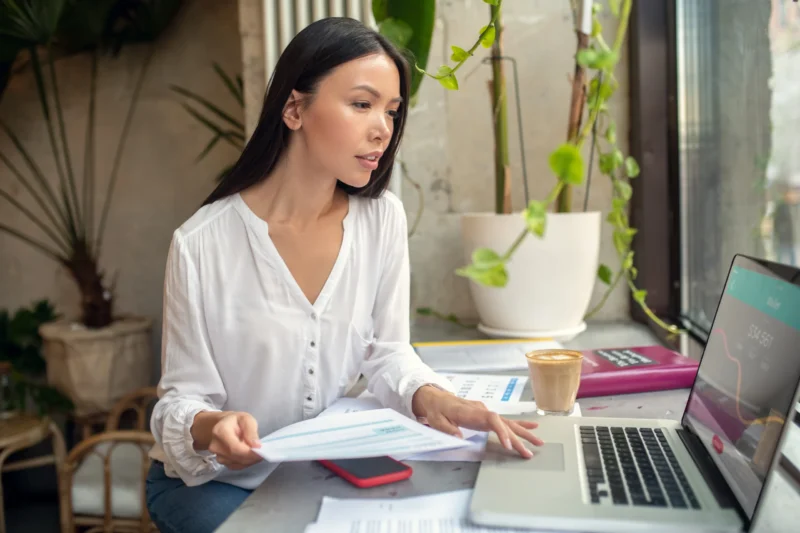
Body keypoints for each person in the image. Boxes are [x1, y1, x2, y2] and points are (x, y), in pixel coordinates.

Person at [144, 17, 543, 533]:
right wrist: (210, 426)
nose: (383, 127)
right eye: (362, 104)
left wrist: (438, 398)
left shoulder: (382, 220)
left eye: (392, 111)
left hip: (319, 476)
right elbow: (180, 400)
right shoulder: (200, 244)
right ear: (294, 108)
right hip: (214, 487)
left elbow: (388, 353)